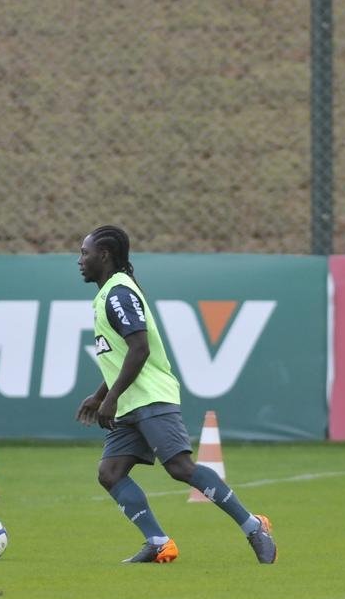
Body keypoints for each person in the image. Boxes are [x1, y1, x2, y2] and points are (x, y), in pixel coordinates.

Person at [75, 225, 277, 564]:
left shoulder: (118, 294)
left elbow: (140, 349)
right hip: (129, 402)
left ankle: (253, 526)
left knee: (181, 467)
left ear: (104, 255)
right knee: (110, 473)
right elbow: (124, 353)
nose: (79, 260)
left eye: (84, 252)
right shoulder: (108, 293)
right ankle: (158, 542)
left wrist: (109, 399)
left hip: (151, 397)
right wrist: (100, 395)